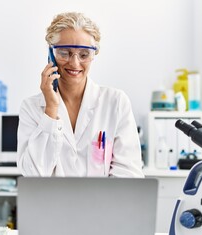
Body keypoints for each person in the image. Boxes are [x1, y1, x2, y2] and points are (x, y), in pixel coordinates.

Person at [17, 12, 144, 177]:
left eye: (84, 55)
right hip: (51, 203)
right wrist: (50, 110)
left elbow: (129, 175)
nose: (75, 63)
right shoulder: (31, 107)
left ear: (93, 56)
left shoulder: (116, 102)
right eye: (64, 53)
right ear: (51, 54)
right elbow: (32, 175)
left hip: (103, 202)